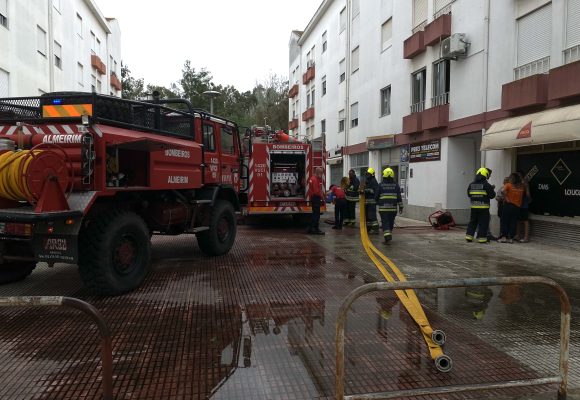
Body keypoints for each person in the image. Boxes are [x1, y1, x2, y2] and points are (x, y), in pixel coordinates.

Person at [465, 167, 496, 243]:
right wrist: (491, 189)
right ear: (485, 175)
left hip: (474, 207)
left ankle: (469, 237)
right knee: (483, 223)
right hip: (483, 208)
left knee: (472, 222)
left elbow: (469, 194)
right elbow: (492, 195)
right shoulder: (486, 185)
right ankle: (482, 239)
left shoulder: (471, 184)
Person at [377, 167, 403, 243]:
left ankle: (387, 236)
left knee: (385, 222)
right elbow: (399, 197)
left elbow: (376, 196)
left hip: (383, 209)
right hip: (393, 209)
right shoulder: (396, 185)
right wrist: (401, 206)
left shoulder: (380, 185)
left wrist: (377, 202)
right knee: (391, 221)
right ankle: (389, 233)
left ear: (384, 175)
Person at [499, 172, 525, 243]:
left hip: (508, 205)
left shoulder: (508, 185)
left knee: (505, 221)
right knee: (513, 222)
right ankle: (511, 238)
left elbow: (502, 191)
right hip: (517, 207)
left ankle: (504, 237)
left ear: (512, 178)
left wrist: (506, 197)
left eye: (510, 177)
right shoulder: (521, 187)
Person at [306, 167, 325, 235]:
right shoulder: (315, 180)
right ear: (318, 173)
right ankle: (315, 229)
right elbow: (317, 191)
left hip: (313, 198)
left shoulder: (312, 178)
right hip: (316, 198)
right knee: (316, 215)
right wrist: (322, 197)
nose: (322, 175)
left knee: (314, 214)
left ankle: (310, 228)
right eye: (321, 173)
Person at [361, 167, 380, 234]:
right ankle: (368, 228)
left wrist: (365, 191)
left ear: (372, 174)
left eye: (368, 174)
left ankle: (375, 229)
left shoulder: (373, 181)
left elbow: (374, 191)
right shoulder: (368, 181)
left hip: (372, 202)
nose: (367, 175)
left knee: (372, 216)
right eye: (366, 174)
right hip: (367, 202)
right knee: (368, 216)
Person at [515, 171, 531, 243]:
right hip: (518, 204)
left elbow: (528, 194)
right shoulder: (517, 183)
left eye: (517, 175)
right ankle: (518, 235)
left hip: (524, 205)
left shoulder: (524, 182)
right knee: (518, 220)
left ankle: (526, 237)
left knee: (525, 221)